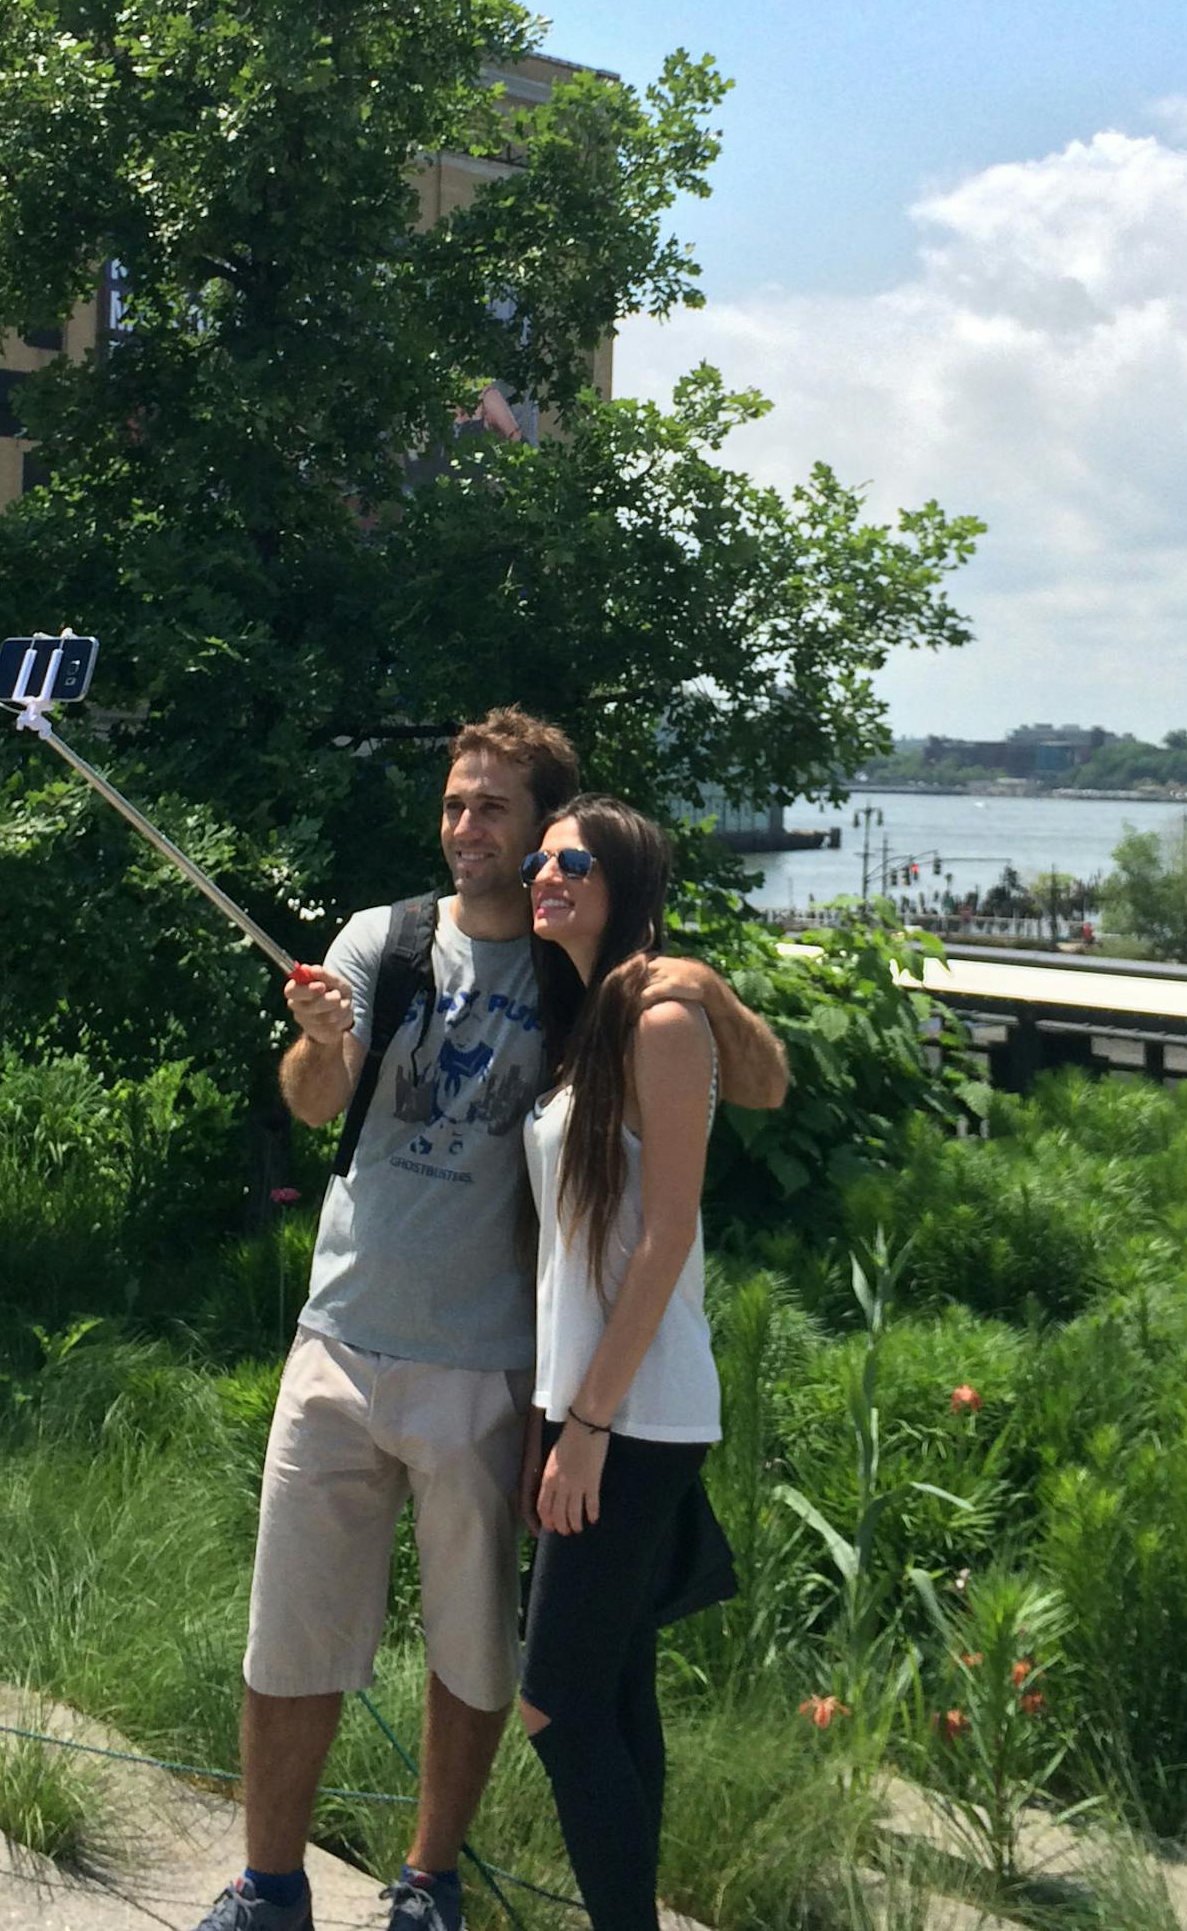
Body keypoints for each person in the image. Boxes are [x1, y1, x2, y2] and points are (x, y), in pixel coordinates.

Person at [195, 711, 786, 1931]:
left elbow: (736, 1118)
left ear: (547, 836)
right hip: (343, 1340)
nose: (470, 828)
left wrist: (708, 987)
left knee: (489, 1664)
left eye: (501, 813)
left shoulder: (595, 988)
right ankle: (270, 1888)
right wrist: (321, 1045)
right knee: (296, 1638)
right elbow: (315, 1105)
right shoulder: (387, 941)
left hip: (500, 1372)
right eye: (456, 803)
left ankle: (431, 1884)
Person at [515, 795, 732, 1931]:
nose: (546, 874)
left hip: (635, 1414)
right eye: (542, 859)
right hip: (593, 1403)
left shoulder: (658, 1020)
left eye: (576, 862)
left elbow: (667, 1235)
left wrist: (587, 1429)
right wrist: (560, 1416)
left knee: (555, 1705)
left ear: (630, 883)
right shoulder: (588, 1018)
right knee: (614, 1689)